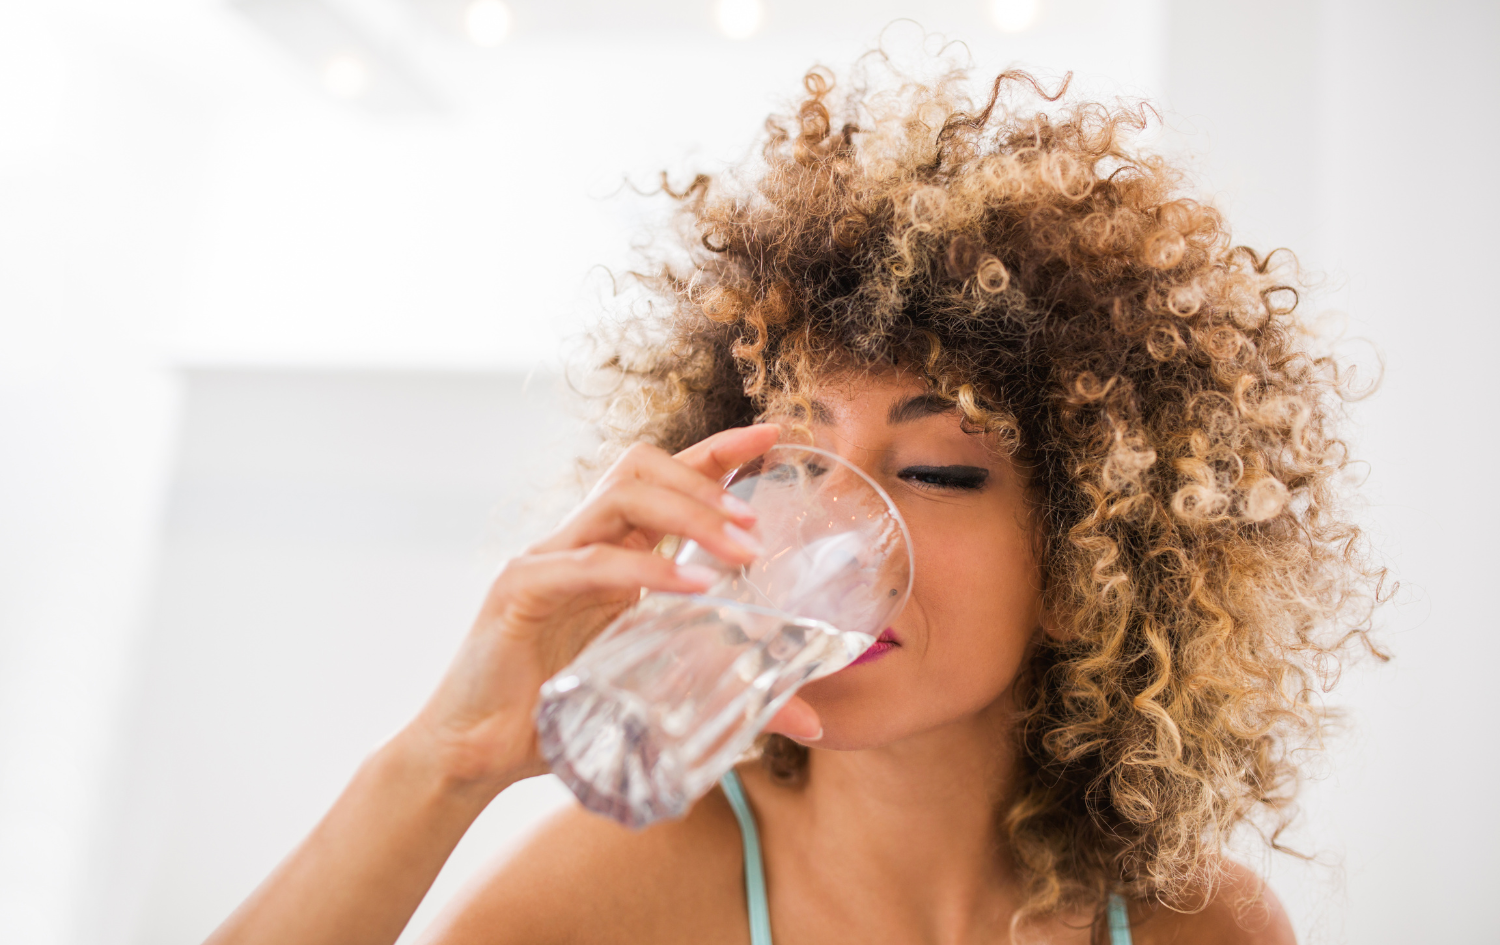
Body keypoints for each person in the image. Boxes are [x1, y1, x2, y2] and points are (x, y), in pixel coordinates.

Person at [205, 55, 1384, 945]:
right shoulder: (625, 896)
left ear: (1091, 572)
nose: (829, 527)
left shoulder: (1205, 926)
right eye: (800, 459)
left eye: (934, 472)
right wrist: (444, 761)